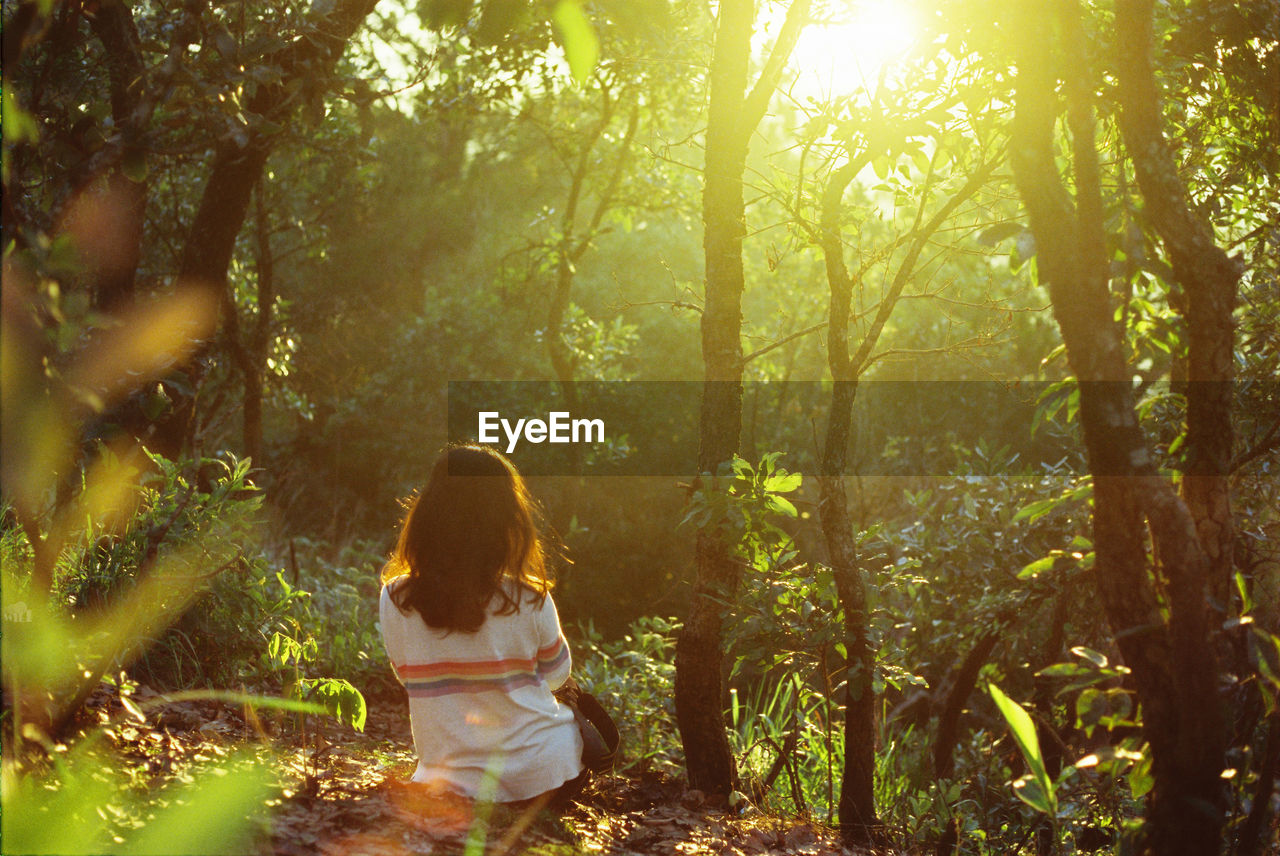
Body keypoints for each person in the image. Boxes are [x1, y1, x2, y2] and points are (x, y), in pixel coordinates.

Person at [378, 444, 586, 808]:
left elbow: (406, 676)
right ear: (507, 521)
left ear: (428, 513)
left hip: (449, 780)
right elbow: (558, 676)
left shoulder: (396, 597)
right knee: (568, 729)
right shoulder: (529, 596)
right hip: (542, 774)